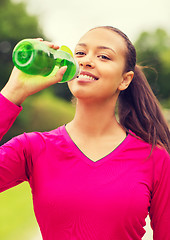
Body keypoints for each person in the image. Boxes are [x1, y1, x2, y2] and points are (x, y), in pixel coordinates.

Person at [0, 26, 170, 240]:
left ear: (124, 80)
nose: (86, 60)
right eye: (80, 53)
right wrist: (13, 91)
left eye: (103, 56)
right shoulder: (32, 148)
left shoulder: (154, 158)